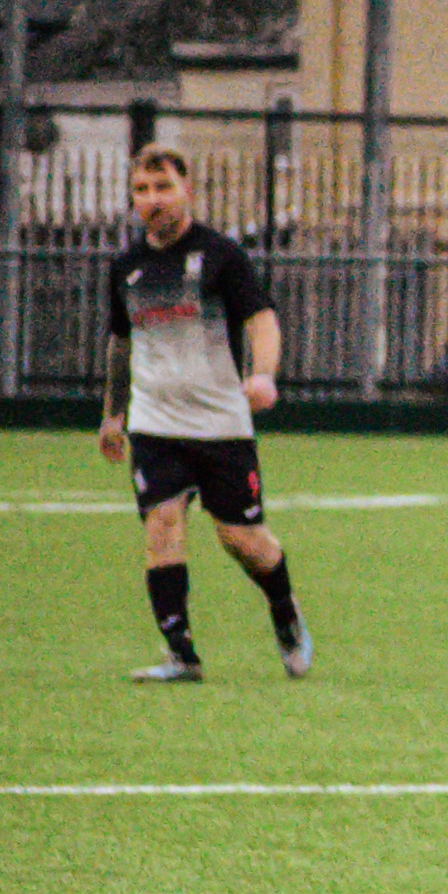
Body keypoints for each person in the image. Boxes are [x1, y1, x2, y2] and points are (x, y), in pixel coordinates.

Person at [97, 142, 312, 683]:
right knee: (162, 527)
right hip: (156, 424)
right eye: (142, 190)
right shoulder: (126, 267)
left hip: (220, 425)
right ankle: (182, 656)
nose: (153, 200)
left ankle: (284, 611)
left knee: (243, 541)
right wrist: (113, 413)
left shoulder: (221, 255)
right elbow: (120, 343)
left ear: (187, 189)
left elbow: (262, 319)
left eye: (163, 187)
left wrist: (263, 374)